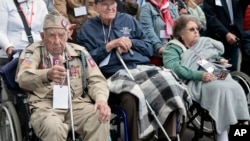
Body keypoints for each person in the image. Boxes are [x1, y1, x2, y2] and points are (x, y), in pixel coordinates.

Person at [77, 0, 190, 140]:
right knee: (130, 96)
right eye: (105, 4)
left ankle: (168, 136)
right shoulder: (88, 28)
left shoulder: (128, 20)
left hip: (140, 68)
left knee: (169, 83)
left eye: (112, 3)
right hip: (113, 73)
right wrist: (109, 46)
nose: (110, 7)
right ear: (96, 7)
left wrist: (132, 42)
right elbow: (84, 61)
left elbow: (149, 47)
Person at [15, 9, 111, 141]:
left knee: (100, 116)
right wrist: (47, 75)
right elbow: (23, 78)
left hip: (77, 103)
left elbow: (97, 80)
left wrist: (101, 99)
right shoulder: (33, 52)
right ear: (43, 37)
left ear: (68, 34)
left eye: (61, 35)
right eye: (51, 36)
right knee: (52, 127)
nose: (57, 41)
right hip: (46, 107)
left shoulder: (80, 52)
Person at [163, 14, 250, 141]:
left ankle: (239, 128)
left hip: (212, 74)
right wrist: (199, 75)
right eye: (192, 30)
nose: (196, 33)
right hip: (193, 81)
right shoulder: (171, 48)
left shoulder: (201, 44)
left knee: (236, 86)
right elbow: (176, 69)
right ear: (181, 33)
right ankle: (223, 136)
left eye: (197, 29)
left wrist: (220, 60)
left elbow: (212, 56)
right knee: (221, 90)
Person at [203, 0, 250, 71]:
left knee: (233, 68)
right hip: (216, 39)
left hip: (234, 38)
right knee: (217, 70)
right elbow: (211, 17)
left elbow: (243, 8)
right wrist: (226, 33)